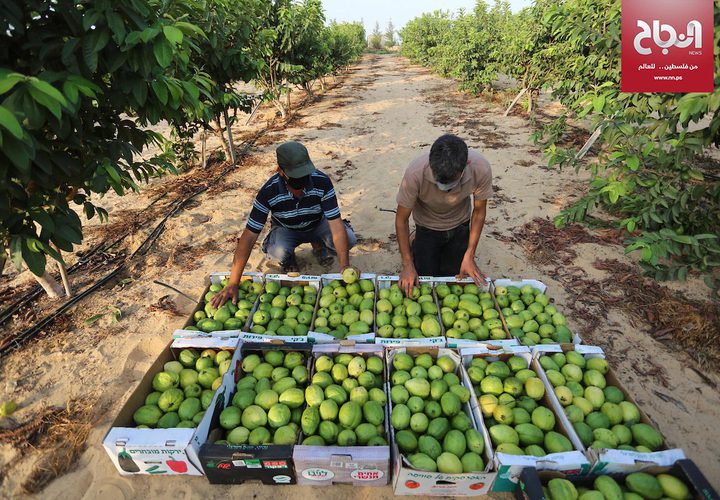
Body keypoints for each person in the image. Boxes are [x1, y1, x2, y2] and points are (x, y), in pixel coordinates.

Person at [211, 141, 357, 307]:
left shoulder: (322, 181)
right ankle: (289, 258)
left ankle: (318, 245)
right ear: (281, 171)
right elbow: (249, 236)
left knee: (349, 238)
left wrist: (345, 266)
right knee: (278, 252)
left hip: (317, 224)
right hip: (287, 230)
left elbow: (336, 225)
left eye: (304, 176)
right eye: (295, 177)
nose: (301, 183)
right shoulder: (269, 191)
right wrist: (233, 283)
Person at [395, 134, 492, 297]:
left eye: (450, 183)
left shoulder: (480, 168)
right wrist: (407, 264)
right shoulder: (415, 173)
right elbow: (401, 219)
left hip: (459, 224)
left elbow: (479, 212)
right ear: (431, 163)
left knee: (453, 277)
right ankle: (416, 242)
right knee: (425, 277)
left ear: (466, 165)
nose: (443, 188)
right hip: (427, 226)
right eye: (439, 181)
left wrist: (470, 254)